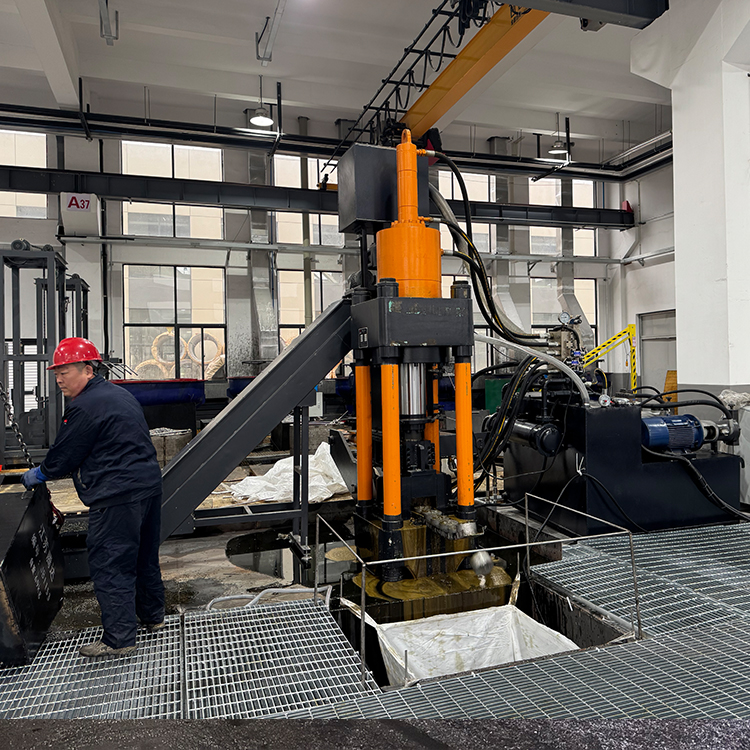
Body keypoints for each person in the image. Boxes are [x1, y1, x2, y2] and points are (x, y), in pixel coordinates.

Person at [23, 337, 165, 658]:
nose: (59, 380)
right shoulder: (119, 394)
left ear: (88, 370)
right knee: (143, 556)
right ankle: (153, 616)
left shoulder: (84, 406)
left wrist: (39, 474)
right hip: (147, 487)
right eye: (56, 374)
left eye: (65, 372)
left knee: (110, 564)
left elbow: (65, 455)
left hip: (116, 495)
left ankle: (119, 639)